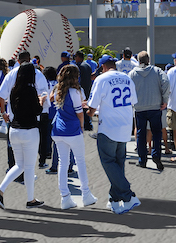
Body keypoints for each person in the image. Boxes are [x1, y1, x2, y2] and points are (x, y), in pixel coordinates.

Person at [86, 55, 140, 214]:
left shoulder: (101, 79)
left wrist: (85, 112)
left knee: (108, 162)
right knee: (118, 164)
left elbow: (91, 108)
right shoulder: (127, 78)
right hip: (125, 126)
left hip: (108, 127)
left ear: (102, 66)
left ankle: (129, 196)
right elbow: (133, 101)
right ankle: (115, 199)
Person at [0, 63, 47, 210]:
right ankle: (30, 199)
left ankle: (1, 190)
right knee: (28, 167)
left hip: (14, 129)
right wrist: (41, 100)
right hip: (29, 130)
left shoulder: (14, 90)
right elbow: (37, 111)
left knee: (19, 165)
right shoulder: (31, 90)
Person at [50, 65, 97, 209]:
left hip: (58, 130)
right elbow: (79, 113)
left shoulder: (57, 90)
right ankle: (86, 194)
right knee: (80, 162)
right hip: (72, 130)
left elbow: (54, 100)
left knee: (62, 163)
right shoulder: (74, 92)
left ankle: (65, 197)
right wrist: (82, 127)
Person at [128, 51, 169, 171]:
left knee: (141, 133)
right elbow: (166, 82)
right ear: (148, 60)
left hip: (139, 107)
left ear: (138, 61)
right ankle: (156, 155)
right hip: (155, 106)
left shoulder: (132, 73)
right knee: (156, 132)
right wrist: (164, 99)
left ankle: (142, 160)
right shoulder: (157, 71)